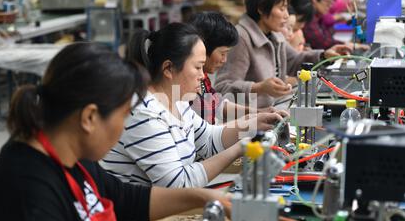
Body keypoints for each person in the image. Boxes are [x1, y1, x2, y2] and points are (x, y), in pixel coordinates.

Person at [0, 43, 231, 221]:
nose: (123, 127)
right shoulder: (27, 191)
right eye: (123, 116)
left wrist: (201, 197)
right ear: (89, 117)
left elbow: (127, 199)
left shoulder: (74, 160)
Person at [101, 23, 281, 188]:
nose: (203, 76)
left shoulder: (178, 102)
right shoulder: (144, 113)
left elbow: (209, 139)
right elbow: (179, 184)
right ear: (168, 69)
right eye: (198, 67)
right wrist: (239, 149)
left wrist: (253, 123)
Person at [214, 0, 351, 109]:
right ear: (262, 9)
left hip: (275, 109)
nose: (286, 16)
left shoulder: (274, 35)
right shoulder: (242, 38)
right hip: (248, 121)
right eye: (281, 9)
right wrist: (259, 87)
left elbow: (295, 61)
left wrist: (324, 55)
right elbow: (223, 87)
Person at [188, 12, 287, 125]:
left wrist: (259, 113)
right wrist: (252, 120)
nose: (224, 60)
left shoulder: (204, 78)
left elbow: (218, 105)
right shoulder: (186, 85)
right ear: (203, 48)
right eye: (222, 53)